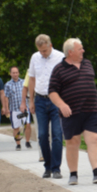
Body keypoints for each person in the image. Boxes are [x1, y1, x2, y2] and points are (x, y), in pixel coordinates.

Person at [49, 38, 97, 185]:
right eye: (80, 49)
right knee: (72, 142)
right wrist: (61, 105)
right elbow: (52, 91)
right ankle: (73, 175)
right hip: (71, 112)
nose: (83, 51)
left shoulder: (87, 64)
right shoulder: (59, 69)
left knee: (94, 140)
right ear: (70, 52)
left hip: (91, 110)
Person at [23, 34, 65, 179]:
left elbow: (66, 79)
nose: (43, 53)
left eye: (45, 51)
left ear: (50, 45)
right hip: (40, 100)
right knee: (41, 135)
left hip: (56, 100)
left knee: (57, 135)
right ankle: (47, 166)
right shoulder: (35, 57)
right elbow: (32, 78)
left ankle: (56, 168)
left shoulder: (60, 56)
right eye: (40, 51)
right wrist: (31, 101)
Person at [3, 66, 28, 150]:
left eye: (16, 72)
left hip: (24, 109)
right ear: (10, 73)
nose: (15, 74)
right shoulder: (8, 85)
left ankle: (27, 142)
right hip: (14, 109)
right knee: (16, 127)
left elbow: (28, 94)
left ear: (19, 73)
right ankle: (18, 144)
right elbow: (6, 97)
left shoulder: (24, 82)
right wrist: (6, 109)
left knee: (27, 124)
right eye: (13, 73)